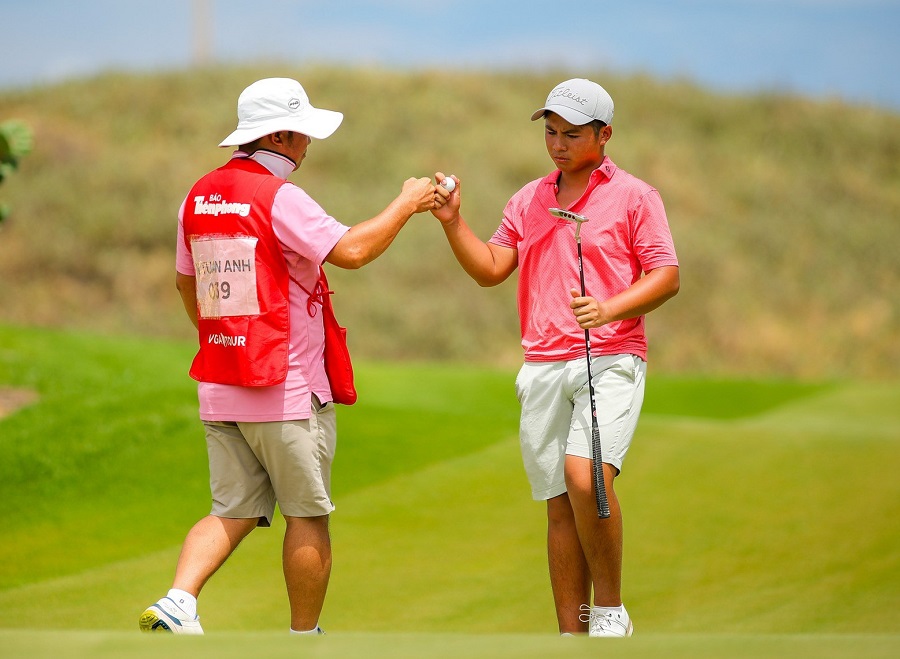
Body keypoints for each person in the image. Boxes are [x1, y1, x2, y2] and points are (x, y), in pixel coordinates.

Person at [139, 77, 449, 635]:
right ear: (280, 134)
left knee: (231, 510)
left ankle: (179, 600)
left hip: (222, 383)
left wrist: (224, 340)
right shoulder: (279, 196)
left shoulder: (198, 194)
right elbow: (351, 251)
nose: (309, 145)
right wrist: (406, 204)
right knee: (307, 516)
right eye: (304, 133)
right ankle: (303, 639)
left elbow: (188, 287)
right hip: (284, 387)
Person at [431, 78, 679, 637]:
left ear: (605, 134)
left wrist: (610, 307)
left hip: (609, 354)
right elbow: (493, 267)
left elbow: (666, 276)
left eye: (571, 134)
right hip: (542, 363)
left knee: (584, 476)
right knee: (558, 503)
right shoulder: (529, 199)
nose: (558, 144)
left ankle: (611, 611)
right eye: (550, 132)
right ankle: (572, 636)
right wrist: (452, 222)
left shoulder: (636, 196)